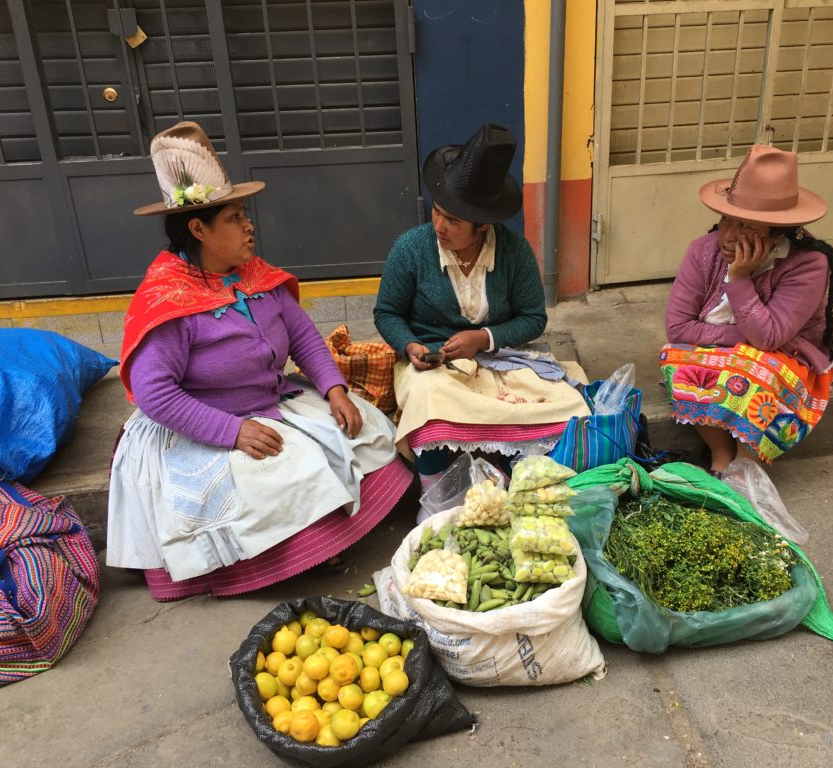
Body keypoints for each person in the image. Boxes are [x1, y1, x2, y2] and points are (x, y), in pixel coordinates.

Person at [107, 121, 411, 601]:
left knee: (366, 428)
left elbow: (303, 336)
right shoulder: (168, 300)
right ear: (198, 229)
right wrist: (232, 432)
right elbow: (154, 393)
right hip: (204, 421)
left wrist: (334, 388)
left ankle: (325, 537)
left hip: (269, 397)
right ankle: (291, 556)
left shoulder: (253, 276)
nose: (249, 226)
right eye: (234, 218)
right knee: (281, 470)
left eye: (244, 214)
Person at [373, 123, 589, 508]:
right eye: (437, 212)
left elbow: (532, 319)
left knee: (563, 401)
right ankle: (437, 496)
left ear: (483, 227)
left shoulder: (513, 250)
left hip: (501, 358)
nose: (440, 226)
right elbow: (387, 312)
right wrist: (410, 345)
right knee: (431, 402)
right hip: (433, 364)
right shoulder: (410, 249)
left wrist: (484, 338)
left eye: (453, 221)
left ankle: (520, 485)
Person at [660, 144, 833, 475]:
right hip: (733, 348)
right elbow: (678, 328)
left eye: (746, 227)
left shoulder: (809, 265)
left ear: (776, 232)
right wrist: (739, 341)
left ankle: (746, 460)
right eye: (727, 220)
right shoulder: (702, 251)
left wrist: (739, 279)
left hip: (785, 358)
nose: (729, 235)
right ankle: (720, 453)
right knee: (679, 364)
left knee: (750, 373)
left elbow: (769, 338)